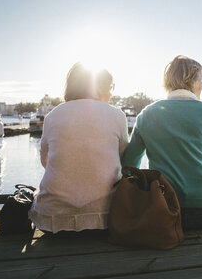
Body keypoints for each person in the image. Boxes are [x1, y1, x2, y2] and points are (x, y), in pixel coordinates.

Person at [121, 55, 202, 230]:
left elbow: (130, 164)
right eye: (201, 79)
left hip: (163, 208)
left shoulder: (147, 114)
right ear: (193, 80)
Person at [29, 63, 129, 233]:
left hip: (53, 220)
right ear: (97, 86)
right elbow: (123, 158)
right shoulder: (117, 115)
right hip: (105, 218)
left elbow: (45, 162)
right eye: (110, 86)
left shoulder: (52, 116)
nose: (111, 92)